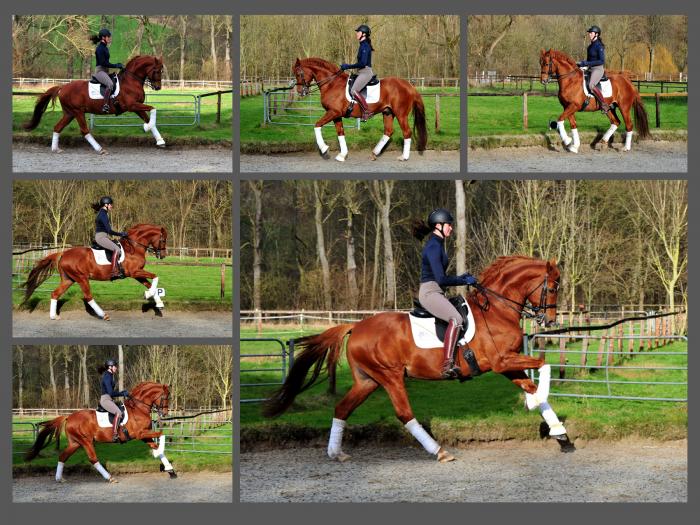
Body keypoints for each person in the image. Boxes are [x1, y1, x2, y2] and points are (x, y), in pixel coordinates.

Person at [414, 208, 478, 379]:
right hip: (429, 292)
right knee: (456, 319)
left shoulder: (438, 244)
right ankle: (447, 364)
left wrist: (462, 277)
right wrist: (463, 280)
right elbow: (441, 279)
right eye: (449, 225)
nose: (451, 228)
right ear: (439, 225)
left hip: (436, 291)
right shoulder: (433, 246)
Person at [340, 24, 375, 121]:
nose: (356, 34)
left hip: (365, 72)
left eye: (358, 32)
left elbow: (363, 63)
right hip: (361, 72)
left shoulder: (365, 46)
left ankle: (366, 111)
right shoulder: (362, 45)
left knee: (353, 90)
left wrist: (348, 66)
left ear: (363, 34)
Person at [91, 196, 127, 280]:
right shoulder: (103, 214)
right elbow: (109, 230)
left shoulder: (103, 213)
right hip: (101, 237)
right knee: (117, 249)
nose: (111, 206)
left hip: (104, 236)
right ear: (106, 205)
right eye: (110, 204)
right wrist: (121, 234)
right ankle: (114, 271)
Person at [89, 28, 124, 113]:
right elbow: (103, 63)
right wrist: (116, 65)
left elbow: (106, 63)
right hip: (100, 71)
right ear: (103, 38)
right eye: (108, 37)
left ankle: (114, 101)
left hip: (105, 71)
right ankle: (105, 105)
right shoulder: (100, 48)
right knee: (110, 84)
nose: (110, 38)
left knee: (116, 79)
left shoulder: (105, 47)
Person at [577, 25, 610, 113]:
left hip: (598, 69)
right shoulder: (590, 47)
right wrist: (582, 65)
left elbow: (601, 61)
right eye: (589, 33)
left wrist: (587, 63)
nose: (589, 35)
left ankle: (604, 105)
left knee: (591, 85)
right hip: (590, 68)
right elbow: (588, 60)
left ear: (596, 34)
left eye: (591, 33)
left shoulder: (599, 46)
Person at [98, 359, 129, 442]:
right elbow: (111, 393)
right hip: (105, 399)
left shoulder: (110, 375)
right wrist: (122, 393)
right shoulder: (107, 376)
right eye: (115, 366)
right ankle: (114, 434)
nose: (116, 368)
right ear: (110, 367)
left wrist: (123, 393)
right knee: (118, 413)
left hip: (109, 399)